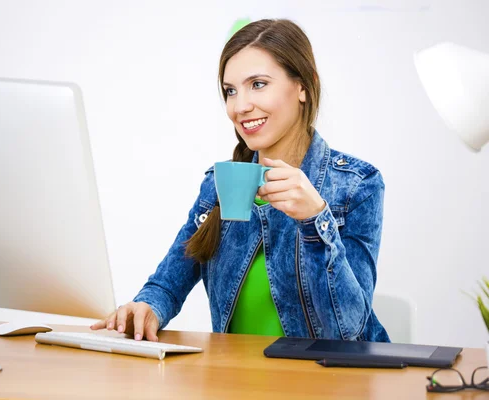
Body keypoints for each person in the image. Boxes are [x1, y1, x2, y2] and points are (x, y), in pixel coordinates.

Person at [91, 18, 390, 343]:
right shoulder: (219, 185)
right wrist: (147, 307)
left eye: (258, 84)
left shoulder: (356, 185)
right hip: (239, 383)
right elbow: (167, 283)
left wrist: (315, 220)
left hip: (331, 385)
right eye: (230, 91)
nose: (240, 106)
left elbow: (346, 330)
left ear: (303, 85)